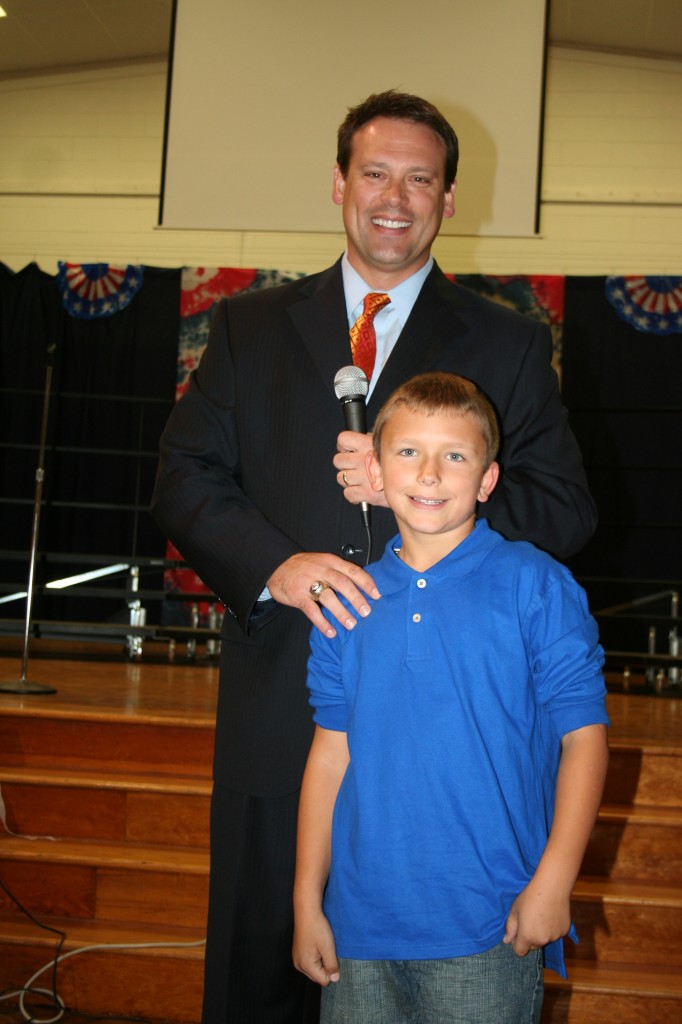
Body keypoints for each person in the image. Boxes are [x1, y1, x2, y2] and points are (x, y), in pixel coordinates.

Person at [150, 90, 597, 1024]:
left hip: (454, 730)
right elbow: (183, 477)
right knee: (261, 970)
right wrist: (277, 567)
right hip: (288, 696)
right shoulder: (247, 327)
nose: (396, 198)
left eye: (420, 179)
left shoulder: (512, 342)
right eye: (376, 173)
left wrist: (420, 492)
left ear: (449, 198)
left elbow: (564, 509)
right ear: (340, 183)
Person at [293, 372, 609, 1024]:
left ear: (487, 480)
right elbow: (329, 759)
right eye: (408, 451)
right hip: (359, 927)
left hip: (489, 924)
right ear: (374, 471)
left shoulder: (535, 585)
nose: (430, 473)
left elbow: (585, 740)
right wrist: (305, 900)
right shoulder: (344, 604)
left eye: (455, 455)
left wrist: (555, 880)